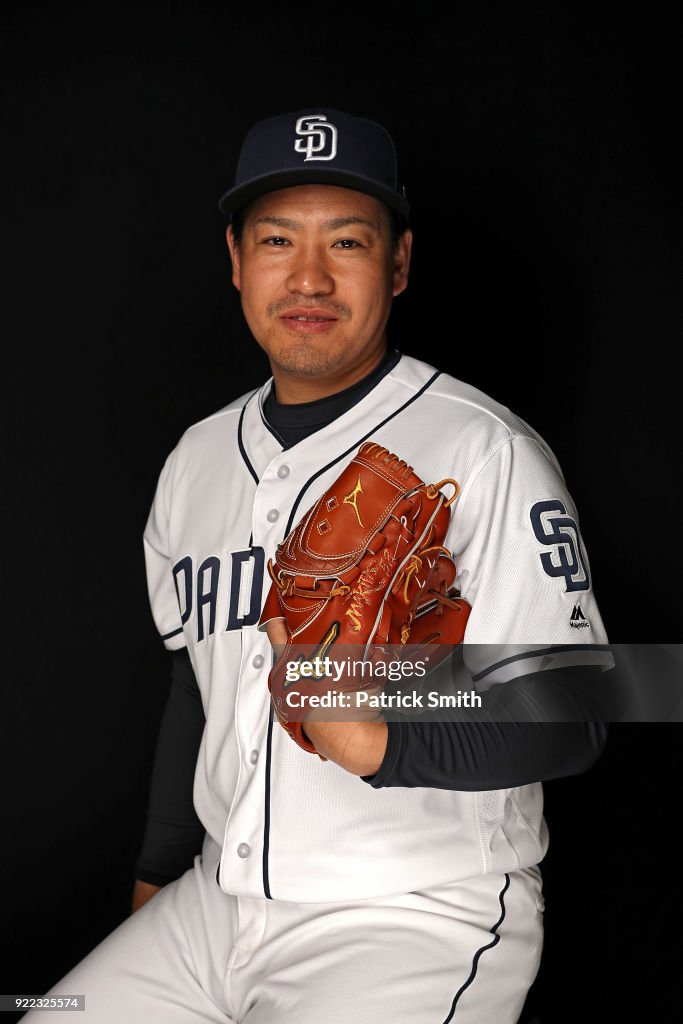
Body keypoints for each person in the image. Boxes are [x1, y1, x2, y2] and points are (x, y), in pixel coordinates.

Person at [24, 107, 613, 1023]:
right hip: (212, 902)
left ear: (399, 263)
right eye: (275, 240)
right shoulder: (196, 459)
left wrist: (388, 722)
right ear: (235, 260)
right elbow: (197, 685)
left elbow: (580, 707)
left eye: (346, 240)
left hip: (410, 914)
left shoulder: (484, 447)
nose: (308, 276)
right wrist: (156, 878)